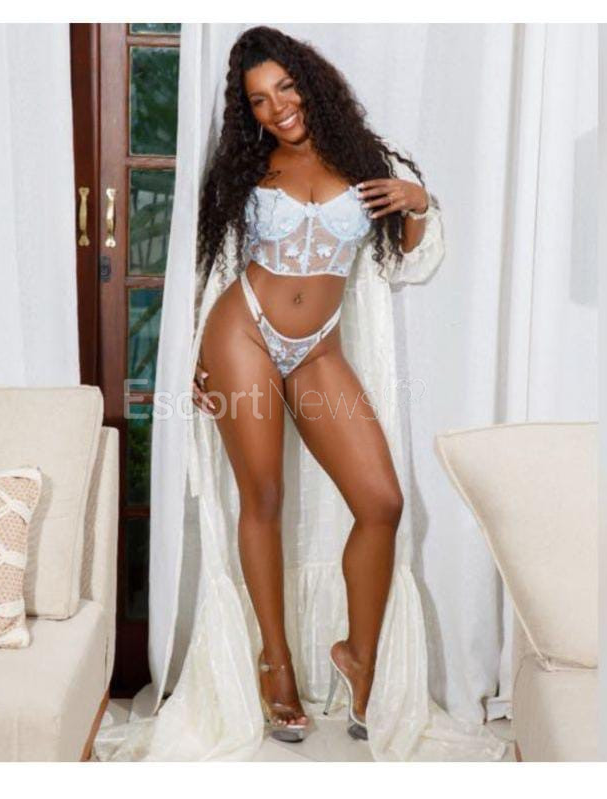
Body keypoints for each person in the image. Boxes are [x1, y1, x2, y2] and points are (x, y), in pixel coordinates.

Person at [192, 25, 433, 743]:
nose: (278, 108)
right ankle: (277, 666)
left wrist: (417, 201)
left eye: (285, 88)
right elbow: (213, 265)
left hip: (317, 350)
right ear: (249, 112)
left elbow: (405, 258)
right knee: (263, 496)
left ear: (310, 83)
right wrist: (197, 360)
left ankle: (358, 655)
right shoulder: (246, 169)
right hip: (243, 333)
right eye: (259, 100)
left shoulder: (365, 162)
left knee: (381, 502)